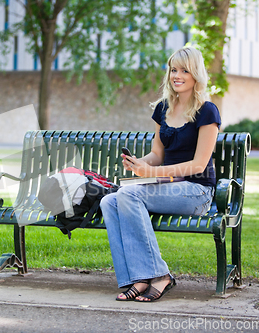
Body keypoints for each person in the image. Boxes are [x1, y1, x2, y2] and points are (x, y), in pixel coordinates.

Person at [100, 46, 221, 302]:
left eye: (184, 70)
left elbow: (199, 165)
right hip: (166, 186)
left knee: (129, 195)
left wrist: (152, 172)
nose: (177, 75)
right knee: (108, 200)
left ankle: (159, 274)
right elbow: (157, 154)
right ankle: (138, 278)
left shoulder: (207, 111)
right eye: (173, 69)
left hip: (196, 191)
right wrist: (138, 163)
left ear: (196, 74)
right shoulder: (163, 108)